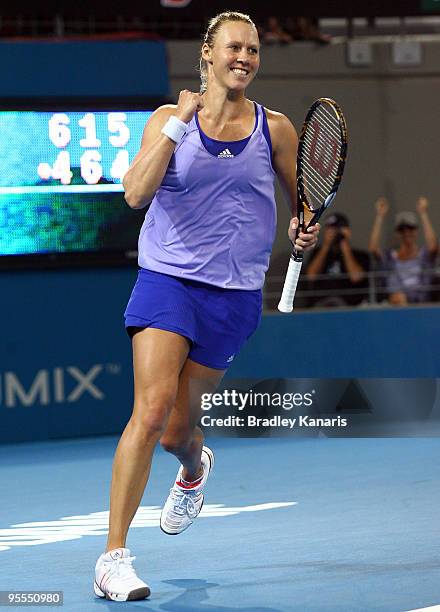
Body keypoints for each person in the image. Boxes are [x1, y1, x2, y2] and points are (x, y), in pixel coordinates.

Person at [93, 11, 319, 602]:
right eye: (234, 47)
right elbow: (135, 193)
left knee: (174, 432)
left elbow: (302, 200)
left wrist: (303, 229)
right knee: (150, 410)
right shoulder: (171, 120)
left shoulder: (276, 129)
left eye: (253, 49)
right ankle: (113, 557)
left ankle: (193, 466)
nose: (244, 57)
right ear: (207, 54)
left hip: (235, 292)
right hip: (167, 279)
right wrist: (177, 127)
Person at [369, 196, 438, 305]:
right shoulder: (389, 257)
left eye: (410, 228)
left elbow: (433, 247)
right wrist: (380, 215)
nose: (406, 233)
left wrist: (423, 213)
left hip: (420, 304)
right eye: (402, 230)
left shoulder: (424, 255)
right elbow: (373, 249)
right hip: (395, 305)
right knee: (397, 298)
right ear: (397, 233)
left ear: (416, 231)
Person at [305, 212, 370, 307]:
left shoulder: (359, 255)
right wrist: (326, 245)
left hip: (350, 305)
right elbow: (311, 276)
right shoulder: (317, 252)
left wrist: (344, 243)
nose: (334, 232)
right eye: (331, 229)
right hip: (322, 303)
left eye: (337, 228)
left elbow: (356, 277)